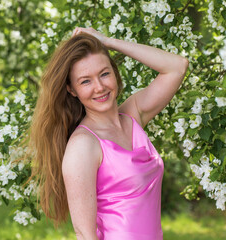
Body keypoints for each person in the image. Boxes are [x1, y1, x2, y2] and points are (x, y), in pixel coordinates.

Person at [28, 27, 188, 240]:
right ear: (72, 90)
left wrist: (108, 42)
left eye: (104, 74)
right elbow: (85, 235)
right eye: (86, 81)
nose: (100, 87)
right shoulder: (83, 146)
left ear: (114, 73)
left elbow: (177, 66)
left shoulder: (133, 116)